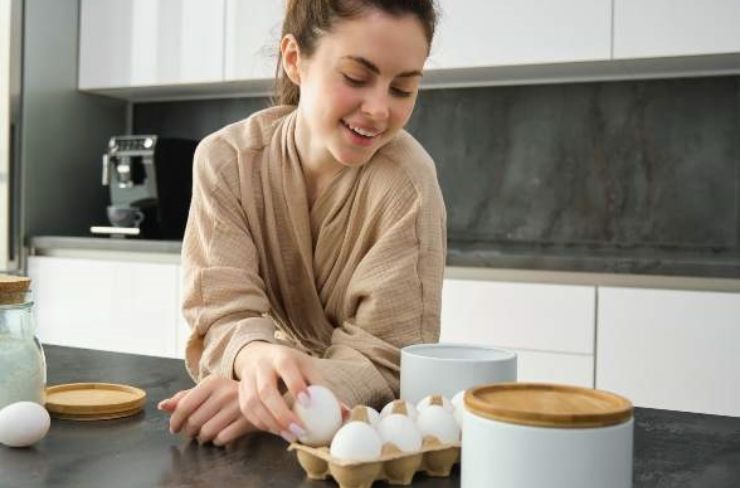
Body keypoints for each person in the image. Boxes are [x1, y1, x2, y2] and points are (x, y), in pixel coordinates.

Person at [158, 0, 446, 447]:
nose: (378, 109)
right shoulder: (228, 161)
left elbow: (390, 356)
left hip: (363, 440)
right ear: (294, 59)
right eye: (356, 77)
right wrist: (255, 364)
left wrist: (280, 397)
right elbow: (221, 310)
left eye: (402, 89)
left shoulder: (408, 184)